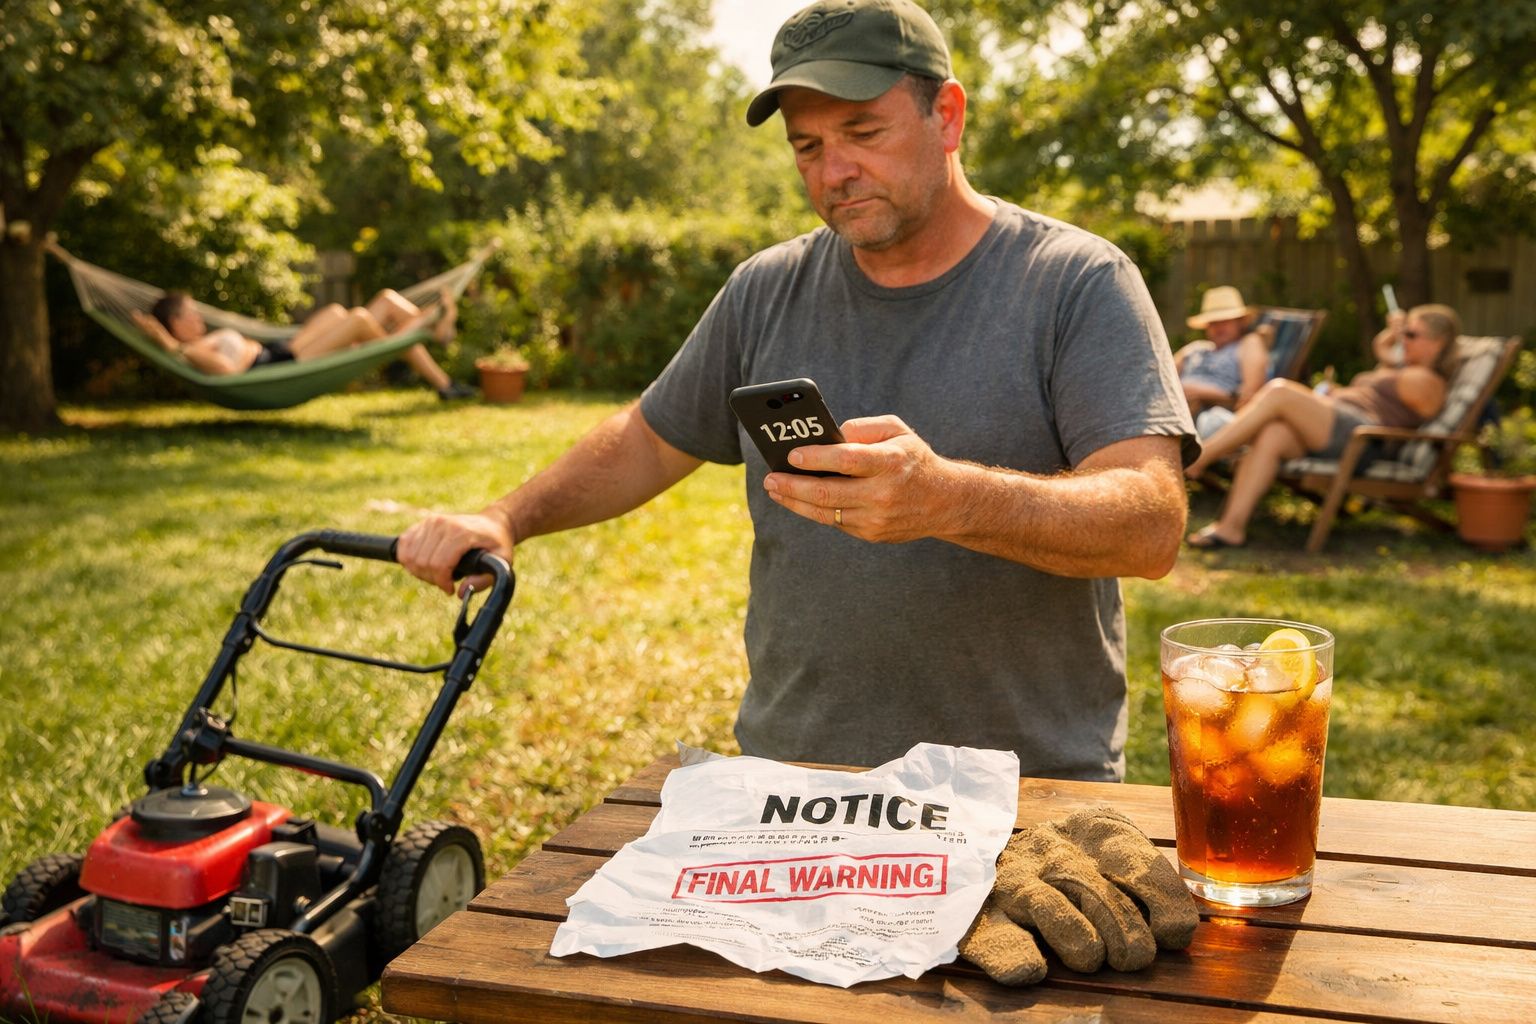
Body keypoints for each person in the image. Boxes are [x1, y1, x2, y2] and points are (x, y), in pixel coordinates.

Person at [397, 0, 1194, 780]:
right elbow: (647, 439)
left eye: (863, 133)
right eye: (807, 146)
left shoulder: (1076, 282)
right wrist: (507, 517)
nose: (834, 170)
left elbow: (1151, 523)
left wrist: (950, 500)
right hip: (798, 782)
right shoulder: (767, 288)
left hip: (1023, 790)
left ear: (946, 116)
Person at [1183, 304, 1461, 549]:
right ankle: (1231, 528)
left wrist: (1387, 357)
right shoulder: (1403, 370)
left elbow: (1401, 388)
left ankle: (1202, 457)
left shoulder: (1429, 381)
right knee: (1272, 434)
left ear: (1437, 343)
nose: (1403, 339)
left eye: (1411, 334)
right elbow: (1386, 377)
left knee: (1279, 391)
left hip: (1363, 439)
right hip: (1341, 428)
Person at [132, 288, 476, 400]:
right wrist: (169, 345)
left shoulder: (202, 342)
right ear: (176, 325)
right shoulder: (193, 350)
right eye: (192, 316)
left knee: (374, 303)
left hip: (286, 349)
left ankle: (437, 342)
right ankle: (435, 329)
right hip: (281, 366)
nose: (199, 320)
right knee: (358, 320)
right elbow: (227, 372)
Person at [1172, 285, 1275, 435]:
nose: (1218, 326)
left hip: (1214, 417)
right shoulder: (1195, 349)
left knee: (1210, 421)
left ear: (1240, 322)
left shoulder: (1248, 343)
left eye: (1225, 320)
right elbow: (1160, 379)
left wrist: (1200, 394)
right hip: (1174, 411)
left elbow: (1250, 396)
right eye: (1213, 322)